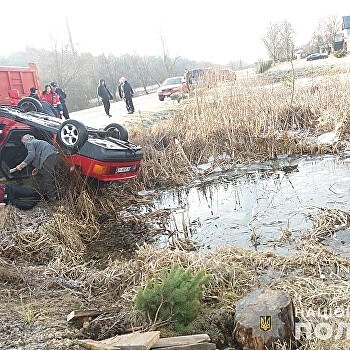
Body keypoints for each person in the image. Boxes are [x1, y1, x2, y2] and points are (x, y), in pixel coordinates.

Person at [12, 135, 59, 202]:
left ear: (27, 140)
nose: (25, 145)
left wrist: (21, 166)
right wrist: (37, 168)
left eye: (23, 143)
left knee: (47, 179)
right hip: (56, 157)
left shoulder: (29, 143)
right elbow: (39, 156)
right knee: (51, 178)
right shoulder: (38, 142)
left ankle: (52, 199)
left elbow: (31, 155)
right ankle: (49, 195)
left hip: (49, 158)